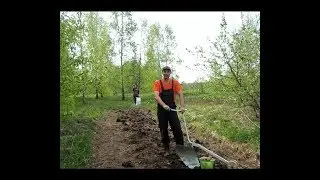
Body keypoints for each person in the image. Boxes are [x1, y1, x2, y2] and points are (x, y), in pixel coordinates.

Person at [152, 66, 185, 156]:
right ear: (162, 73)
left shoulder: (174, 82)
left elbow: (180, 94)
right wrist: (163, 105)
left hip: (172, 108)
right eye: (164, 71)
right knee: (163, 129)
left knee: (177, 128)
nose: (166, 73)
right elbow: (156, 96)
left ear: (170, 73)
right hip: (162, 110)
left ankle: (180, 148)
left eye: (168, 71)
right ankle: (166, 149)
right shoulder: (157, 83)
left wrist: (182, 107)